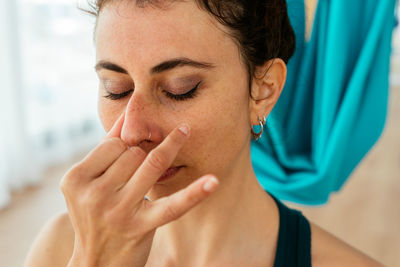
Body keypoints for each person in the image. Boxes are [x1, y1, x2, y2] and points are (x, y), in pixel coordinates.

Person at [24, 0, 383, 266]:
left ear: (264, 90)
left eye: (181, 88)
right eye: (115, 88)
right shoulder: (63, 247)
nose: (133, 131)